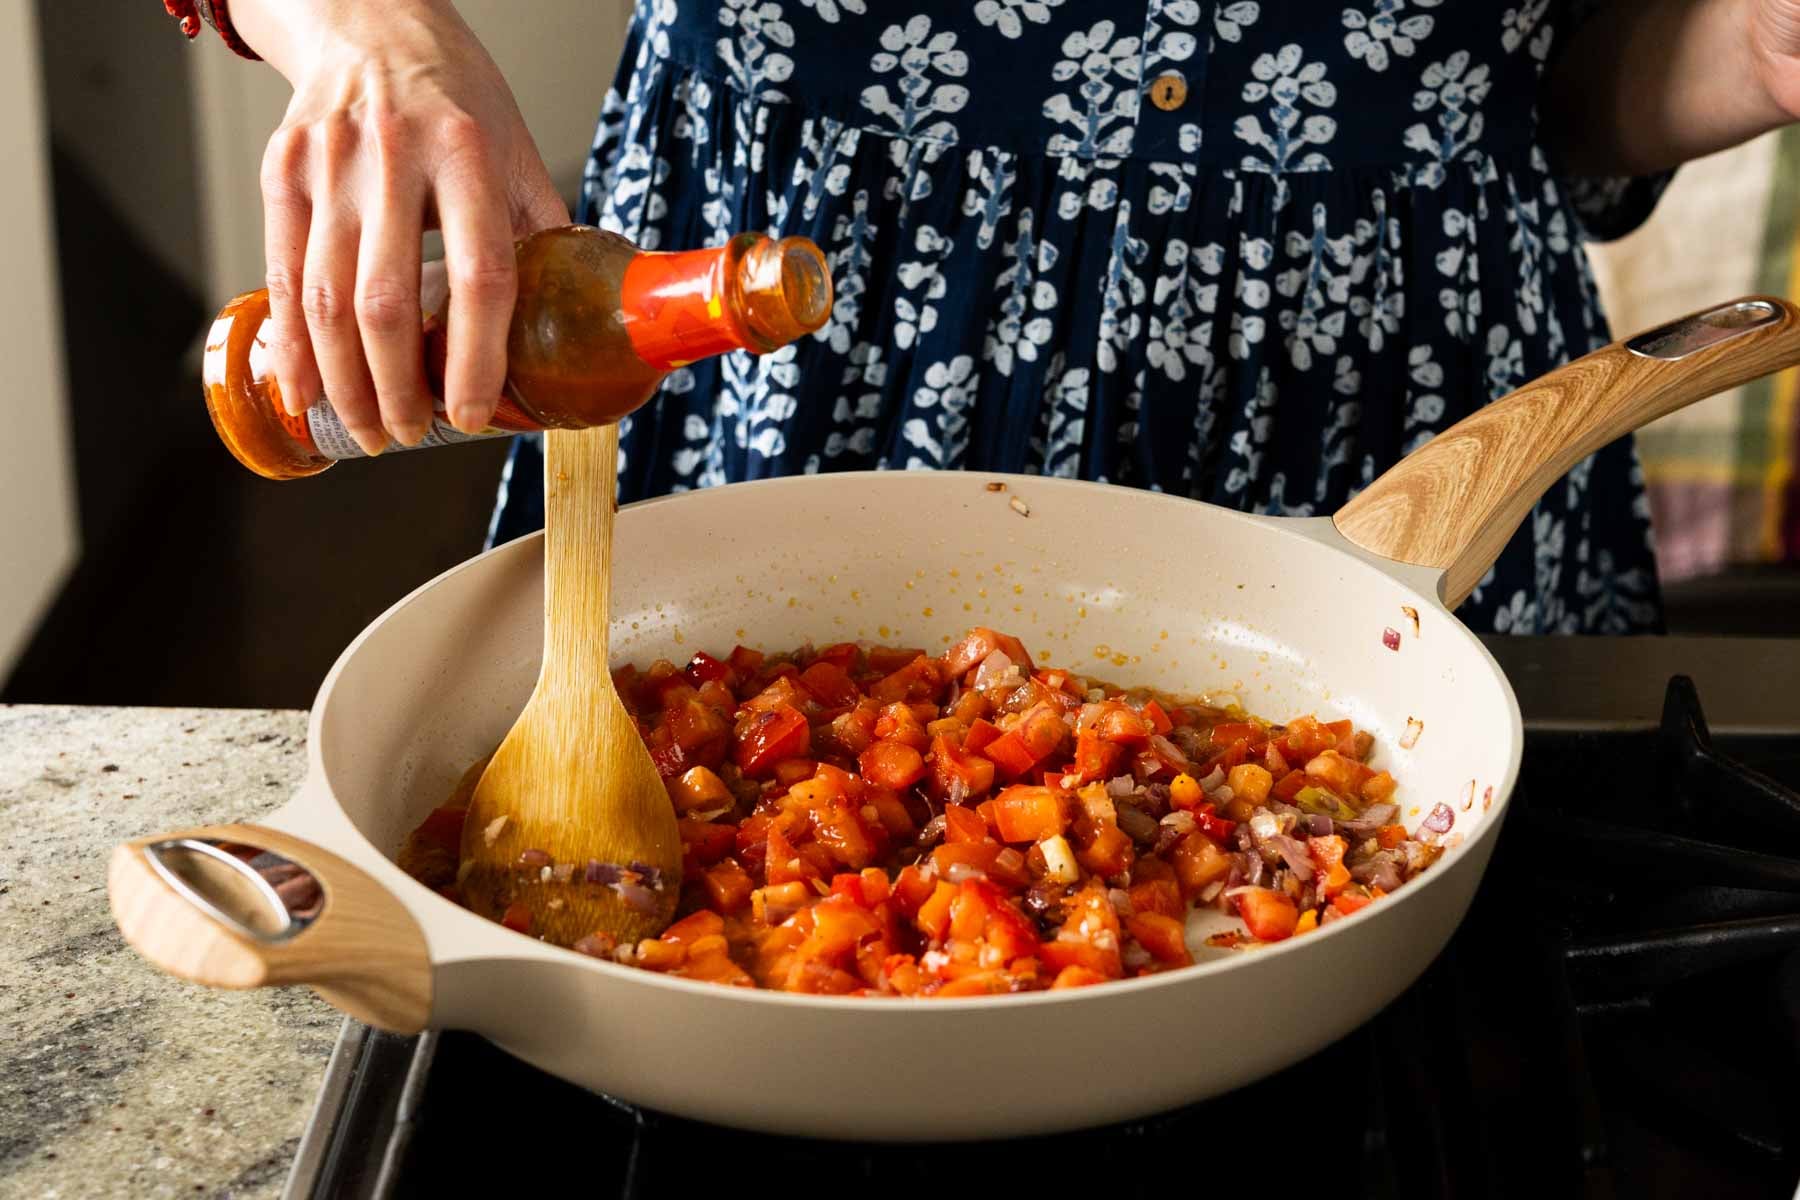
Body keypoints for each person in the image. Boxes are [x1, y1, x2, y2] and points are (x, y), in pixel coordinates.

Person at [173, 0, 1800, 634]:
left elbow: (1548, 79)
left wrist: (1742, 47)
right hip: (812, 381)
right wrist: (366, 32)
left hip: (1424, 422)